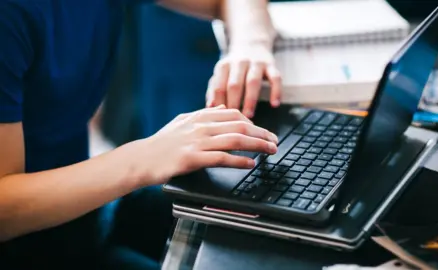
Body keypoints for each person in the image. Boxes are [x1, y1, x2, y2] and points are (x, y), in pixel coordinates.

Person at [0, 0, 281, 269]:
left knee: (268, 230)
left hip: (87, 213)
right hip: (26, 246)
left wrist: (249, 48)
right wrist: (143, 158)